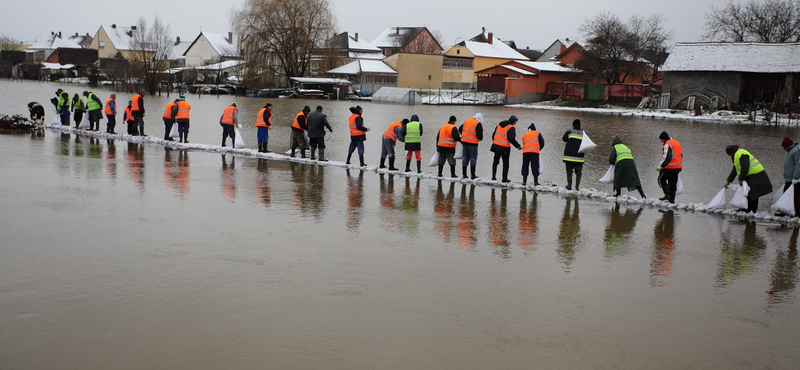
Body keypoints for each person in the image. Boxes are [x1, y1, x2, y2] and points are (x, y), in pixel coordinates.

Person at [724, 145, 773, 213]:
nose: (729, 156)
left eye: (729, 154)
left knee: (753, 193)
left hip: (756, 174)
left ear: (731, 152)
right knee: (748, 193)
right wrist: (728, 181)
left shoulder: (741, 154)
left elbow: (745, 167)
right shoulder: (737, 155)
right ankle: (748, 209)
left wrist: (741, 179)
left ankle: (752, 210)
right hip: (752, 174)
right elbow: (735, 170)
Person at [491, 115, 522, 182]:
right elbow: (511, 138)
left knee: (495, 162)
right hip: (504, 148)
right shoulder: (511, 127)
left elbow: (493, 135)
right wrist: (518, 146)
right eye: (516, 121)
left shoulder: (499, 124)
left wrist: (495, 141)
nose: (516, 123)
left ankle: (493, 177)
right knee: (505, 163)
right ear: (514, 121)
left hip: (496, 146)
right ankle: (504, 178)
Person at [656, 131, 682, 203]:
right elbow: (681, 155)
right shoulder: (676, 143)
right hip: (677, 167)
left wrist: (660, 166)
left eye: (661, 139)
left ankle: (667, 195)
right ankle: (672, 200)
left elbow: (667, 157)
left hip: (669, 168)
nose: (661, 141)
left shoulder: (667, 144)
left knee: (661, 180)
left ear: (663, 139)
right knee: (673, 183)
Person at [459, 113, 484, 179]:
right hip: (472, 143)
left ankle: (464, 174)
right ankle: (473, 175)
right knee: (473, 159)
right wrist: (480, 138)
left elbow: (460, 129)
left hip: (464, 142)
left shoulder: (466, 121)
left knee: (465, 158)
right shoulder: (478, 123)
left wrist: (464, 135)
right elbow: (479, 135)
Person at [562, 119, 585, 190]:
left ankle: (569, 185)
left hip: (569, 157)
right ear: (580, 125)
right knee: (578, 172)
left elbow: (564, 139)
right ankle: (577, 187)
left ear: (573, 125)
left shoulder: (569, 132)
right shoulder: (583, 134)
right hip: (579, 157)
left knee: (569, 171)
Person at [781, 137, 800, 216]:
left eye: (784, 147)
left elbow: (798, 165)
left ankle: (798, 213)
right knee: (785, 194)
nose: (784, 149)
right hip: (788, 179)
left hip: (795, 179)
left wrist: (795, 177)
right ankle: (785, 212)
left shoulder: (796, 151)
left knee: (796, 197)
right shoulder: (788, 152)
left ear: (788, 146)